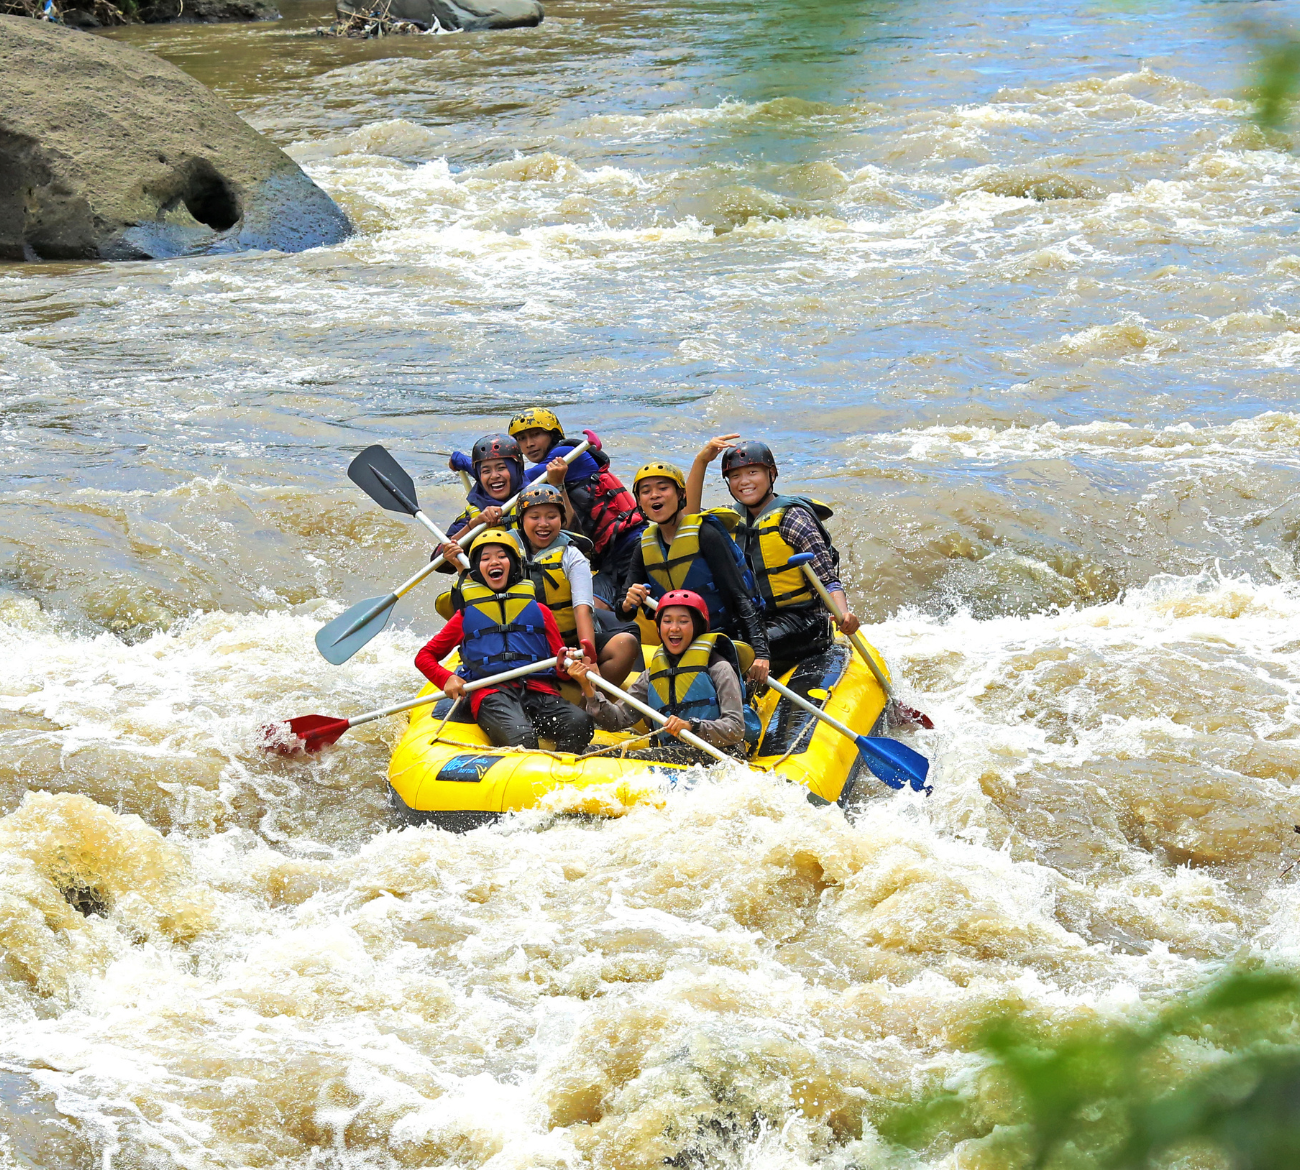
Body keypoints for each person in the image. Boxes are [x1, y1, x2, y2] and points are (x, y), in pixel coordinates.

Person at [687, 435, 860, 677]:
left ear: (772, 474)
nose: (744, 482)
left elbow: (828, 580)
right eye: (735, 476)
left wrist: (843, 614)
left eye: (752, 473)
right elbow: (688, 521)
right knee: (701, 645)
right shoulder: (730, 519)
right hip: (754, 620)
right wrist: (701, 462)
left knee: (731, 650)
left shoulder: (793, 518)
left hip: (806, 622)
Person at [416, 528, 594, 753]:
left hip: (538, 691)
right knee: (522, 736)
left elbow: (558, 665)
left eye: (501, 556)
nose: (494, 562)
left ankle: (562, 769)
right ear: (478, 570)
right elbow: (424, 657)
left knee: (580, 724)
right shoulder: (465, 616)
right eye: (486, 558)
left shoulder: (540, 612)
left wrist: (565, 664)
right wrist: (446, 679)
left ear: (514, 564)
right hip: (491, 693)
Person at [615, 460, 771, 684]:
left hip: (723, 639)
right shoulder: (645, 546)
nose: (654, 496)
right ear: (639, 501)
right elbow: (624, 612)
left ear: (680, 495)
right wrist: (627, 601)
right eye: (646, 491)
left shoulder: (705, 534)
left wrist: (761, 653)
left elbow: (740, 597)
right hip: (678, 644)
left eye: (663, 488)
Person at [566, 589, 747, 755]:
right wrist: (588, 689)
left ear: (697, 627)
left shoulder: (718, 667)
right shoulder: (652, 674)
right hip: (674, 753)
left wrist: (692, 726)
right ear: (659, 628)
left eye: (683, 621)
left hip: (718, 754)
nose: (674, 628)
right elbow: (617, 720)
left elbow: (736, 728)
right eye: (667, 621)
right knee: (593, 751)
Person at [510, 482, 640, 688]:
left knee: (626, 644)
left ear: (562, 520)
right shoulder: (505, 553)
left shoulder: (572, 556)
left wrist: (589, 656)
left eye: (551, 516)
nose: (543, 524)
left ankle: (590, 705)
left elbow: (583, 610)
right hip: (524, 644)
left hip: (569, 644)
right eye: (534, 517)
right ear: (521, 520)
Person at [506, 407, 647, 584]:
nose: (529, 444)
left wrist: (467, 463)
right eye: (521, 439)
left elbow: (513, 484)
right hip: (610, 552)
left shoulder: (564, 456)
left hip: (629, 543)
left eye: (536, 435)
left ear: (553, 435)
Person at [434, 434, 524, 568]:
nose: (494, 476)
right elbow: (438, 563)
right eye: (486, 471)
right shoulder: (474, 514)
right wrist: (474, 525)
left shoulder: (537, 497)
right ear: (479, 476)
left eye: (501, 468)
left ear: (516, 470)